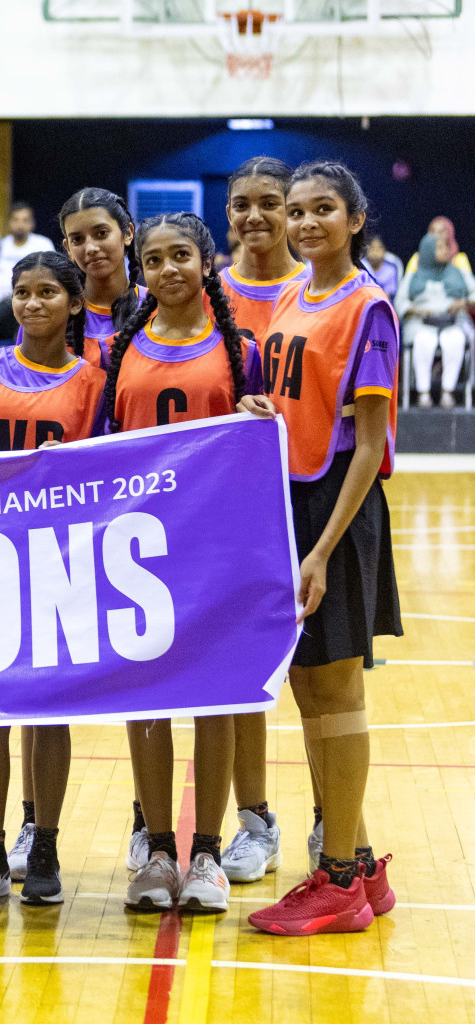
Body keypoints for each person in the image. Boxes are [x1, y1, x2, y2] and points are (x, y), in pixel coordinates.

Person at [242, 160, 399, 936]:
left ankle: (336, 879)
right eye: (296, 211)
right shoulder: (295, 294)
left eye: (322, 210)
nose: (305, 223)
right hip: (292, 499)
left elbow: (370, 446)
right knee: (312, 691)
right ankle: (362, 863)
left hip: (337, 506)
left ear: (356, 218)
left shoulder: (367, 305)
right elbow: (303, 396)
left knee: (335, 692)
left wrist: (324, 549)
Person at [101, 213, 261, 915]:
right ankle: (159, 847)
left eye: (182, 256)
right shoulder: (123, 349)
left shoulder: (239, 348)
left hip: (217, 547)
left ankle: (208, 855)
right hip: (140, 549)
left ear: (206, 263)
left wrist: (260, 416)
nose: (168, 269)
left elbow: (261, 446)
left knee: (215, 701)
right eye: (155, 258)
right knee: (149, 701)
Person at [0, 251, 101, 910]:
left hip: (59, 558)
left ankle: (44, 842)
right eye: (22, 292)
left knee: (50, 709)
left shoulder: (94, 382)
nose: (33, 303)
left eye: (47, 292)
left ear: (74, 304)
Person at [215, 156, 305, 887]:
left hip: (301, 495)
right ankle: (255, 818)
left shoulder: (322, 291)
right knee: (234, 672)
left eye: (269, 203)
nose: (254, 216)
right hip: (224, 507)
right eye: (241, 203)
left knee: (316, 677)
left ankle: (333, 818)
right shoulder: (207, 290)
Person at [59, 189, 143, 369]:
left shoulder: (158, 306)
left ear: (128, 233)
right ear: (68, 248)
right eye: (78, 239)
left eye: (101, 233)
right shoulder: (54, 313)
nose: (90, 248)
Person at [398, 231, 470, 407]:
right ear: (428, 250)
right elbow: (400, 303)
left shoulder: (458, 273)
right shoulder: (414, 275)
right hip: (422, 324)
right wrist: (415, 310)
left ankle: (448, 391)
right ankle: (423, 393)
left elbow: (473, 293)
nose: (446, 251)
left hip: (450, 322)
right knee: (424, 341)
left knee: (455, 340)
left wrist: (463, 302)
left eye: (446, 247)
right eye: (439, 248)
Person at [0, 202, 57, 268]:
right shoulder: (1, 246)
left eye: (25, 220)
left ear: (32, 223)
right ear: (9, 222)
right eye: (15, 220)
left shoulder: (44, 245)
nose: (20, 225)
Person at [364, 236, 402, 302]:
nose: (375, 253)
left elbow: (386, 296)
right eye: (372, 249)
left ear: (384, 251)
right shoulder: (363, 268)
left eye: (378, 249)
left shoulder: (390, 270)